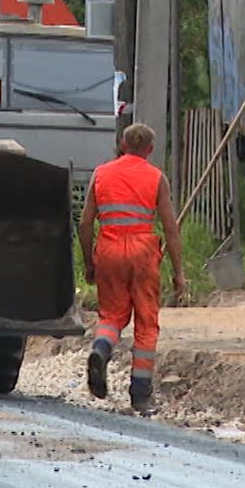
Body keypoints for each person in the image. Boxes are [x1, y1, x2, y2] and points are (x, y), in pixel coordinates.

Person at [78, 122, 187, 413]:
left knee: (112, 315)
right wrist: (179, 272)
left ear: (123, 145)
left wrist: (89, 261)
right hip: (143, 252)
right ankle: (140, 394)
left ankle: (101, 349)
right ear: (150, 150)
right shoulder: (156, 178)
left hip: (110, 249)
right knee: (146, 323)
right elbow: (171, 228)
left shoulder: (101, 174)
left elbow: (85, 222)